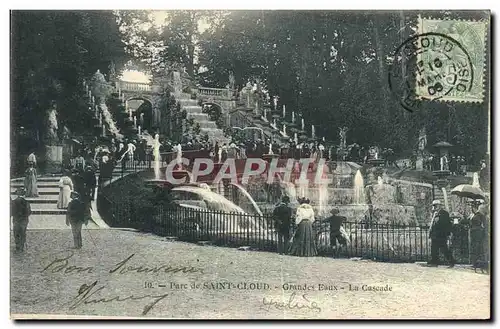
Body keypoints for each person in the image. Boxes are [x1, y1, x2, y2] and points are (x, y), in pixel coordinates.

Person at [428, 200, 455, 267]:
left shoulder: (444, 213)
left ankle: (451, 261)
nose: (434, 207)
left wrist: (447, 234)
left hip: (441, 235)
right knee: (434, 249)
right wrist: (430, 233)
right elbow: (432, 224)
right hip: (435, 235)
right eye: (434, 206)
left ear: (440, 206)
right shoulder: (435, 213)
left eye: (436, 205)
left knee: (444, 249)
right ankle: (434, 262)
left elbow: (446, 224)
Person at [11, 188, 31, 252]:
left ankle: (17, 245)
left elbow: (11, 212)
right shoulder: (26, 202)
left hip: (16, 220)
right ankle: (21, 246)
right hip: (23, 220)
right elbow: (29, 212)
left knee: (16, 233)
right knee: (23, 233)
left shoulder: (14, 202)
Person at [469, 201, 487, 267]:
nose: (471, 209)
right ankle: (474, 263)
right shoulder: (473, 215)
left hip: (478, 234)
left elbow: (483, 224)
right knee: (474, 248)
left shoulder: (480, 215)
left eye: (472, 208)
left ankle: (477, 263)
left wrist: (483, 233)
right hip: (473, 233)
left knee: (477, 248)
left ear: (475, 208)